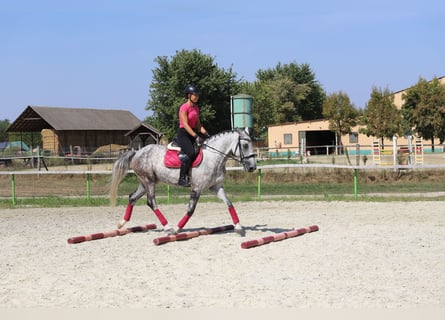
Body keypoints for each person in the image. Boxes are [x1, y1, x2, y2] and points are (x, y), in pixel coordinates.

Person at [176, 85, 210, 187]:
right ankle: (182, 178)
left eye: (197, 95)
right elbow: (185, 125)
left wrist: (207, 134)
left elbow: (198, 125)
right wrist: (196, 136)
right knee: (190, 152)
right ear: (189, 95)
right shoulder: (184, 107)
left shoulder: (196, 108)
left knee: (202, 150)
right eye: (195, 95)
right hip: (183, 134)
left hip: (192, 133)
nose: (197, 97)